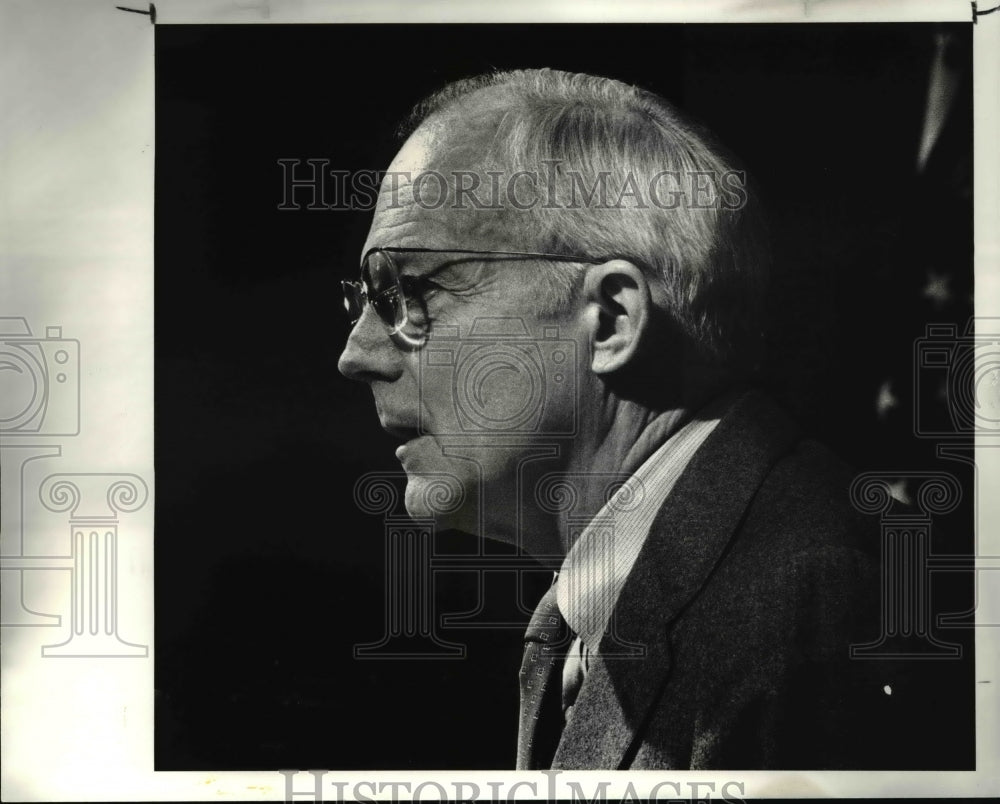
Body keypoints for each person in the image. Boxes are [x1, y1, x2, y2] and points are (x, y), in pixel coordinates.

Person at [337, 69, 971, 770]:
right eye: (363, 299)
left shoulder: (806, 617)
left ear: (611, 318)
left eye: (404, 292)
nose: (356, 354)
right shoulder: (642, 601)